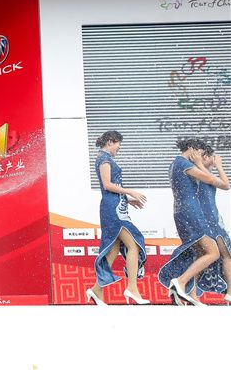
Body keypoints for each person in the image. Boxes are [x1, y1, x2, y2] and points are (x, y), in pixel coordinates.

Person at [159, 138, 227, 306]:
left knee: (201, 253)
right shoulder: (184, 164)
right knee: (214, 253)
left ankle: (192, 294)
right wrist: (202, 164)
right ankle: (180, 282)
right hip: (191, 212)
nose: (199, 156)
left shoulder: (175, 163)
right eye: (198, 152)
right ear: (191, 148)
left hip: (181, 211)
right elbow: (212, 180)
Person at [85, 131, 149, 305]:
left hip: (116, 206)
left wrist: (127, 200)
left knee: (113, 250)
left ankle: (97, 290)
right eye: (118, 145)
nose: (118, 148)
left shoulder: (104, 158)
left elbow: (111, 188)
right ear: (110, 142)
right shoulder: (104, 159)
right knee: (134, 245)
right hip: (113, 209)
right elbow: (107, 185)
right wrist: (130, 191)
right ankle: (132, 288)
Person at [194, 144, 231, 303]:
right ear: (205, 157)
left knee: (202, 256)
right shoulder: (201, 173)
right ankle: (230, 292)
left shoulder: (200, 172)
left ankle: (191, 292)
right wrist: (219, 166)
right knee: (226, 254)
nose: (214, 159)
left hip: (205, 217)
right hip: (209, 219)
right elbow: (226, 185)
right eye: (212, 157)